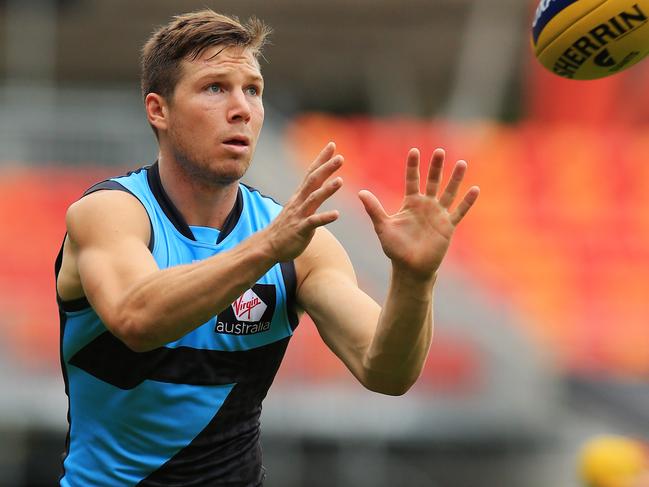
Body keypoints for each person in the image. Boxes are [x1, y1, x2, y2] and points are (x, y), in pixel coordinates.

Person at [54, 9, 480, 487]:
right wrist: (266, 249)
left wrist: (415, 280)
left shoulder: (301, 242)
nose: (242, 108)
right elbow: (137, 318)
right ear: (159, 110)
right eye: (215, 88)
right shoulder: (112, 212)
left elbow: (385, 371)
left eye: (252, 90)